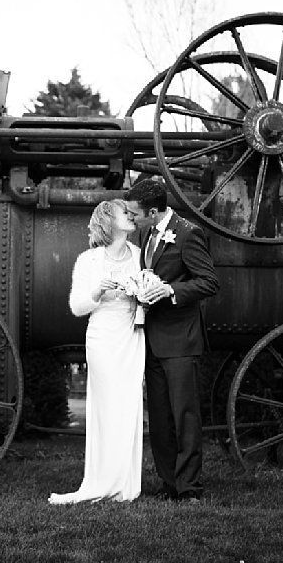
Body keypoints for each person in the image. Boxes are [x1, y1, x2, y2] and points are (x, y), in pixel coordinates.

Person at [123, 179, 218, 502]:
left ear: (153, 211)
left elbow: (209, 281)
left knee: (185, 416)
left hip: (181, 341)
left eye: (135, 214)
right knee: (161, 418)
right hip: (150, 340)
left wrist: (171, 290)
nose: (131, 219)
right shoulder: (146, 232)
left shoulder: (188, 233)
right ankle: (169, 483)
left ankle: (189, 487)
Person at [48, 199, 145, 504]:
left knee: (129, 406)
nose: (130, 216)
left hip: (132, 336)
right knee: (106, 408)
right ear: (108, 220)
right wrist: (97, 291)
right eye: (123, 213)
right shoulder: (88, 260)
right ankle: (101, 479)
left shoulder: (141, 256)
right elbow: (77, 306)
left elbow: (148, 291)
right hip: (103, 337)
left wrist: (142, 290)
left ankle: (126, 483)